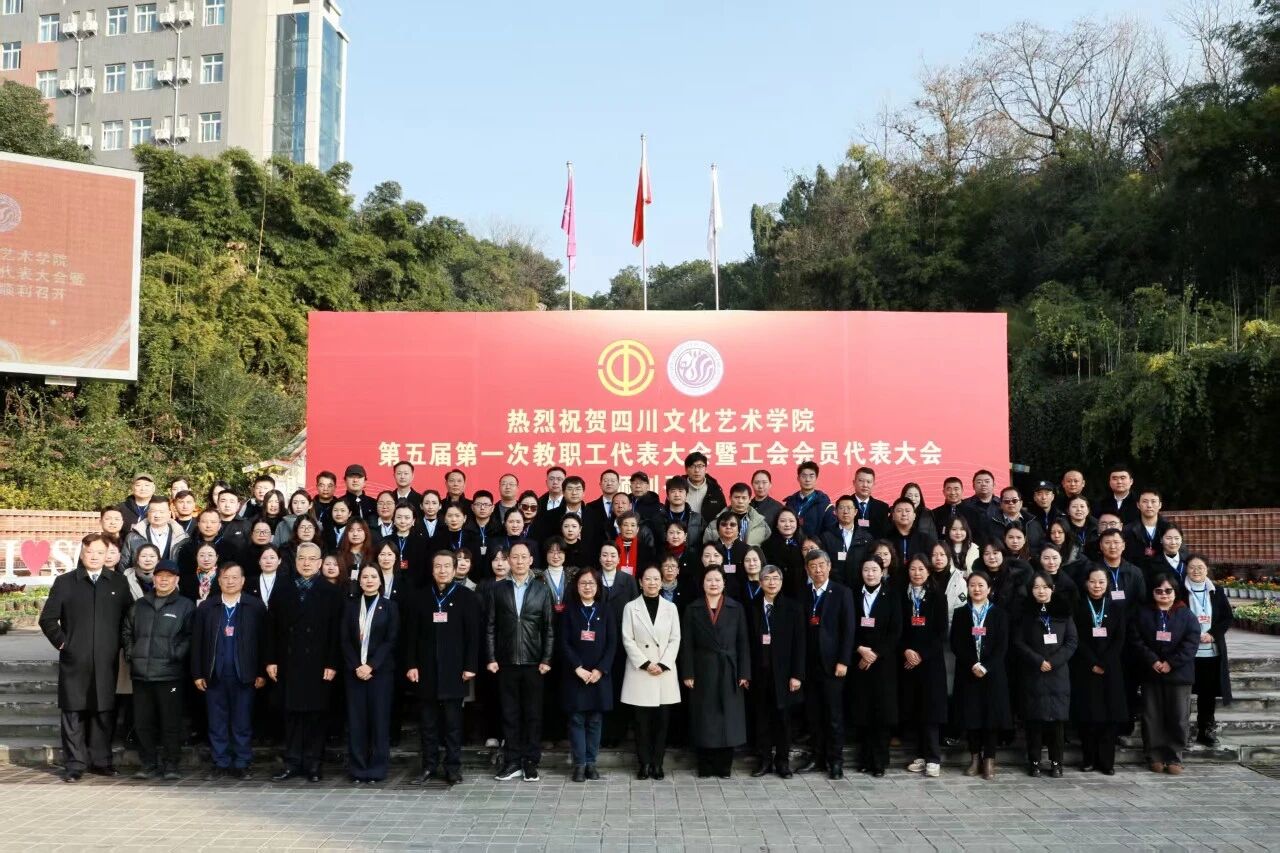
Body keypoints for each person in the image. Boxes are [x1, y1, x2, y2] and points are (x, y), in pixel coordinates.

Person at [39, 533, 133, 782]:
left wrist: (123, 647)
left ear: (107, 555)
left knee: (104, 711)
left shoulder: (118, 582)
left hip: (107, 660)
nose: (94, 557)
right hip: (75, 659)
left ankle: (101, 761)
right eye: (89, 552)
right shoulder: (65, 582)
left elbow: (129, 619)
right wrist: (63, 643)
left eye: (100, 552)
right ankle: (74, 764)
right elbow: (48, 619)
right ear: (82, 553)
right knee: (73, 712)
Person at [267, 542, 344, 783]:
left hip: (319, 663)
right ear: (295, 561)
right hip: (288, 661)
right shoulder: (282, 588)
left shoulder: (331, 592)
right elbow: (271, 628)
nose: (306, 563)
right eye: (302, 558)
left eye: (312, 559)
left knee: (315, 716)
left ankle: (313, 764)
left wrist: (332, 663)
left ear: (320, 563)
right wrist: (270, 659)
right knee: (291, 714)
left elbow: (336, 633)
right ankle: (292, 762)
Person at [406, 551, 480, 785]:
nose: (442, 570)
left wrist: (470, 665)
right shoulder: (420, 597)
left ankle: (453, 767)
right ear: (432, 569)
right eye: (438, 566)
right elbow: (411, 635)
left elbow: (473, 635)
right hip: (425, 669)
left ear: (455, 569)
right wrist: (411, 664)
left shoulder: (467, 597)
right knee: (427, 724)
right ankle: (428, 766)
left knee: (453, 724)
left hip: (455, 669)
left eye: (447, 566)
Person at [192, 562, 268, 780]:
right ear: (219, 580)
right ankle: (220, 762)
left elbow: (264, 642)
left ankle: (242, 762)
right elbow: (197, 642)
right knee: (217, 721)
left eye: (235, 577)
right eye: (225, 577)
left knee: (242, 721)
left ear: (243, 581)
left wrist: (261, 672)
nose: (230, 581)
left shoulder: (254, 607)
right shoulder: (207, 607)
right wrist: (197, 673)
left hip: (245, 674)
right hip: (214, 674)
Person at [487, 541, 555, 782]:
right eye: (514, 557)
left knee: (533, 714)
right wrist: (491, 657)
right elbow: (490, 626)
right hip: (505, 662)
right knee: (510, 714)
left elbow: (549, 628)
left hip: (534, 662)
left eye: (523, 557)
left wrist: (547, 658)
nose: (518, 561)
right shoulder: (498, 590)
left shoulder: (541, 589)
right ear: (508, 561)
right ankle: (512, 760)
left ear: (531, 561)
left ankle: (530, 761)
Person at [122, 559, 194, 781]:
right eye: (160, 576)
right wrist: (132, 654)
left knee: (170, 722)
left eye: (168, 577)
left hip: (169, 674)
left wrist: (176, 655)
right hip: (141, 674)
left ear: (176, 579)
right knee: (143, 723)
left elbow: (190, 636)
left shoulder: (185, 605)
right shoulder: (140, 604)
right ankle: (148, 764)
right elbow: (127, 631)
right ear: (154, 578)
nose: (163, 580)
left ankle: (171, 764)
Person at [680, 566, 751, 778]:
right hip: (703, 669)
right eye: (709, 580)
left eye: (717, 580)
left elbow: (743, 642)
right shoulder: (693, 609)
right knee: (704, 718)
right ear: (702, 584)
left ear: (724, 583)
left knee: (728, 718)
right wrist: (688, 673)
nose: (713, 584)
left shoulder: (735, 608)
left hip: (729, 670)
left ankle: (724, 766)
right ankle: (705, 765)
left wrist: (744, 673)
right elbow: (687, 644)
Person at [795, 549, 854, 778]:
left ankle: (835, 761)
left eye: (821, 565)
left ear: (829, 566)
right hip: (809, 665)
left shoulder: (841, 592)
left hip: (832, 665)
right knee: (813, 714)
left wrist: (843, 660)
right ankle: (817, 758)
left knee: (833, 716)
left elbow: (848, 629)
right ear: (807, 569)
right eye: (813, 566)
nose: (817, 570)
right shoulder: (803, 593)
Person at [1133, 574, 1201, 774]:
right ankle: (1154, 755)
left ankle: (1174, 757)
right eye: (1159, 590)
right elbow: (1135, 639)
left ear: (1175, 592)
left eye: (1168, 590)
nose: (1164, 594)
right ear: (1152, 592)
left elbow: (1191, 643)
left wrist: (1171, 663)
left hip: (1179, 675)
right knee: (1152, 716)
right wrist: (1153, 660)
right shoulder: (1143, 614)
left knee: (1178, 716)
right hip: (1151, 672)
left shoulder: (1186, 615)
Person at [1014, 571, 1078, 777]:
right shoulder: (1025, 613)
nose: (1041, 591)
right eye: (1036, 587)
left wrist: (1054, 662)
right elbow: (1018, 642)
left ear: (1052, 589)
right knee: (1034, 720)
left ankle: (1057, 762)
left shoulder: (1063, 612)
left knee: (1057, 721)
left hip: (1058, 673)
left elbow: (1071, 642)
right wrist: (1038, 661)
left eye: (1045, 587)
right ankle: (1034, 761)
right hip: (1033, 672)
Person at [950, 570, 1012, 781]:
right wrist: (973, 664)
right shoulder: (961, 613)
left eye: (981, 585)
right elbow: (956, 643)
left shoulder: (999, 614)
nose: (976, 589)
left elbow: (1002, 646)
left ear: (989, 589)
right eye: (972, 585)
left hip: (992, 674)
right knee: (972, 717)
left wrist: (986, 666)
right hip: (968, 673)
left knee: (991, 719)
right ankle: (975, 758)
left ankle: (989, 760)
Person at [341, 564, 399, 784]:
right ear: (359, 581)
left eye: (373, 576)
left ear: (380, 581)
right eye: (365, 577)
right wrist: (356, 665)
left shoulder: (390, 607)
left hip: (380, 673)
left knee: (379, 720)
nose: (369, 580)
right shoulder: (351, 606)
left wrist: (372, 665)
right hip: (354, 672)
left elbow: (391, 640)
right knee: (356, 721)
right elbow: (344, 639)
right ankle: (358, 768)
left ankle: (377, 768)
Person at [745, 564, 804, 777]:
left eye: (776, 578)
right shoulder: (751, 607)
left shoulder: (793, 608)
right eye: (767, 579)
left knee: (783, 720)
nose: (772, 583)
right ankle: (764, 761)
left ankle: (782, 762)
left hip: (784, 674)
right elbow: (745, 643)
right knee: (762, 719)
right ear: (760, 583)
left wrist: (797, 674)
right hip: (760, 673)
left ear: (781, 582)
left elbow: (800, 644)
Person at [559, 570, 617, 782]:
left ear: (598, 587)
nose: (587, 587)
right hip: (576, 674)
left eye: (591, 583)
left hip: (598, 675)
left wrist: (600, 669)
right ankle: (579, 764)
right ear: (576, 586)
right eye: (583, 583)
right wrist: (577, 667)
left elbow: (612, 643)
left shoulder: (606, 610)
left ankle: (591, 763)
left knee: (595, 720)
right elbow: (563, 642)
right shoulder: (569, 611)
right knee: (576, 719)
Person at [1071, 565, 1128, 775]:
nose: (1097, 586)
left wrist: (1105, 662)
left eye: (1101, 582)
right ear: (1086, 583)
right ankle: (1088, 759)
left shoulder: (1116, 607)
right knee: (1088, 716)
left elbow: (1119, 638)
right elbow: (1076, 638)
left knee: (1109, 717)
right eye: (1093, 581)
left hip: (1110, 669)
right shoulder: (1078, 606)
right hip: (1085, 668)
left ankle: (1107, 762)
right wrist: (1092, 662)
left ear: (1108, 584)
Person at [850, 556, 901, 777]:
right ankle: (864, 759)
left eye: (874, 570)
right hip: (859, 661)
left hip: (883, 664)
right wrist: (860, 649)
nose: (870, 574)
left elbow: (896, 631)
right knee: (863, 712)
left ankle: (879, 761)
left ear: (882, 572)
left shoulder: (892, 595)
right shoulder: (853, 594)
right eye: (866, 570)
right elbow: (847, 626)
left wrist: (875, 653)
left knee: (882, 714)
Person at [899, 554, 949, 778]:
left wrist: (921, 655)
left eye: (921, 569)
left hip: (930, 662)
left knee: (931, 710)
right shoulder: (902, 595)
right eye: (913, 569)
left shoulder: (937, 596)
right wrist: (906, 651)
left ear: (928, 571)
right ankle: (920, 755)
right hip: (908, 661)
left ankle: (934, 758)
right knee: (914, 708)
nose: (917, 573)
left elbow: (941, 632)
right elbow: (897, 628)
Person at [1183, 555, 1233, 747]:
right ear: (1186, 569)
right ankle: (1182, 731)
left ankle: (1205, 730)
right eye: (1192, 567)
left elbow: (1227, 618)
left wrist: (1212, 634)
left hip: (1211, 652)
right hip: (1187, 652)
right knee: (1183, 694)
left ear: (1207, 569)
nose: (1196, 571)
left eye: (1200, 567)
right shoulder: (1179, 590)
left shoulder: (1216, 591)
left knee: (1207, 694)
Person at [784, 462, 836, 537]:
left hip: (816, 543)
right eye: (804, 476)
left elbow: (830, 531)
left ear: (816, 479)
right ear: (798, 479)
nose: (807, 479)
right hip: (793, 543)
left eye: (811, 476)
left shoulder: (825, 505)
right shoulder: (790, 502)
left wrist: (815, 542)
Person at [764, 509, 808, 592]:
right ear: (776, 524)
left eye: (791, 521)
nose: (787, 525)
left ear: (797, 523)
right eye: (783, 521)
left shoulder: (805, 543)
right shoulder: (767, 545)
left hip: (801, 590)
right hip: (776, 590)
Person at [682, 451, 726, 521]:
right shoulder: (678, 488)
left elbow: (724, 516)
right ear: (686, 470)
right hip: (682, 527)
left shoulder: (715, 490)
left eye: (700, 466)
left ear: (705, 469)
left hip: (709, 528)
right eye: (692, 466)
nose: (696, 470)